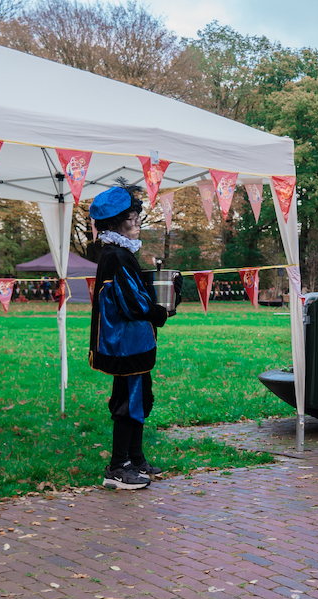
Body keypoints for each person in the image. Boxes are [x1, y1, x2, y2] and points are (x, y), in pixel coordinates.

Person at [89, 183, 181, 490]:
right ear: (116, 223)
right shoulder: (116, 256)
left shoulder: (119, 254)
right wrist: (159, 312)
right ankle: (117, 468)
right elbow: (132, 303)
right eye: (132, 217)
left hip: (133, 344)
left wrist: (168, 288)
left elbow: (135, 288)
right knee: (128, 403)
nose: (137, 221)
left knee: (140, 399)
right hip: (124, 345)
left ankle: (136, 459)